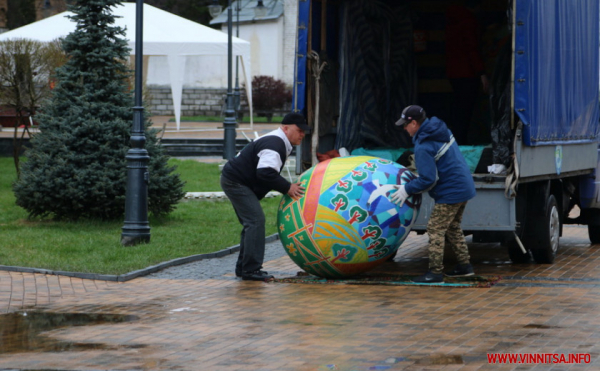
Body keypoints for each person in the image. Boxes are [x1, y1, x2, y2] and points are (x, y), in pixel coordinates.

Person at [390, 105, 476, 283]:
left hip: (451, 191)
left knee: (435, 229)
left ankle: (435, 272)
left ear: (413, 123)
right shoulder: (439, 129)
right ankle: (465, 267)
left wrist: (406, 189)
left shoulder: (424, 146)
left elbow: (428, 179)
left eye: (405, 125)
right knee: (453, 227)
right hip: (464, 185)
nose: (404, 129)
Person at [220, 113, 308, 281]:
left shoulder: (279, 141)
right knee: (255, 221)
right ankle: (251, 270)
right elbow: (265, 172)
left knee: (251, 223)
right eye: (299, 130)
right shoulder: (275, 143)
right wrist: (287, 187)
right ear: (286, 128)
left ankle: (244, 268)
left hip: (235, 179)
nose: (302, 134)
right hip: (236, 182)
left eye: (304, 131)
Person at [445, 0, 489, 145]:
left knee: (458, 110)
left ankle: (457, 140)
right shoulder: (469, 22)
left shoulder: (451, 20)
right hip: (468, 73)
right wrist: (481, 72)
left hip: (454, 72)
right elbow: (472, 49)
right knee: (467, 111)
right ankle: (463, 142)